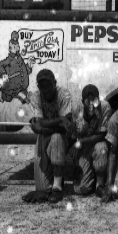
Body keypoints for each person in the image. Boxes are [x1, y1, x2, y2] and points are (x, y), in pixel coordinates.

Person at [22, 69, 73, 204]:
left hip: (62, 138)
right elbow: (38, 122)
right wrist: (59, 120)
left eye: (48, 84)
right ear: (38, 86)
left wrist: (43, 128)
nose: (46, 89)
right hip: (45, 136)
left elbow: (65, 126)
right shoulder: (36, 97)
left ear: (54, 83)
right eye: (42, 85)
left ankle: (57, 187)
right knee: (42, 189)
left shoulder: (64, 94)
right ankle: (57, 177)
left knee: (56, 137)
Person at [70, 84, 111, 197]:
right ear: (83, 101)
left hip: (97, 142)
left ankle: (100, 184)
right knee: (81, 189)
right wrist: (75, 162)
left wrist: (82, 141)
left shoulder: (105, 107)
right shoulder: (76, 110)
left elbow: (102, 135)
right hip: (83, 147)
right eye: (88, 101)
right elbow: (73, 136)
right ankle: (88, 175)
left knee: (101, 148)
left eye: (95, 100)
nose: (92, 105)